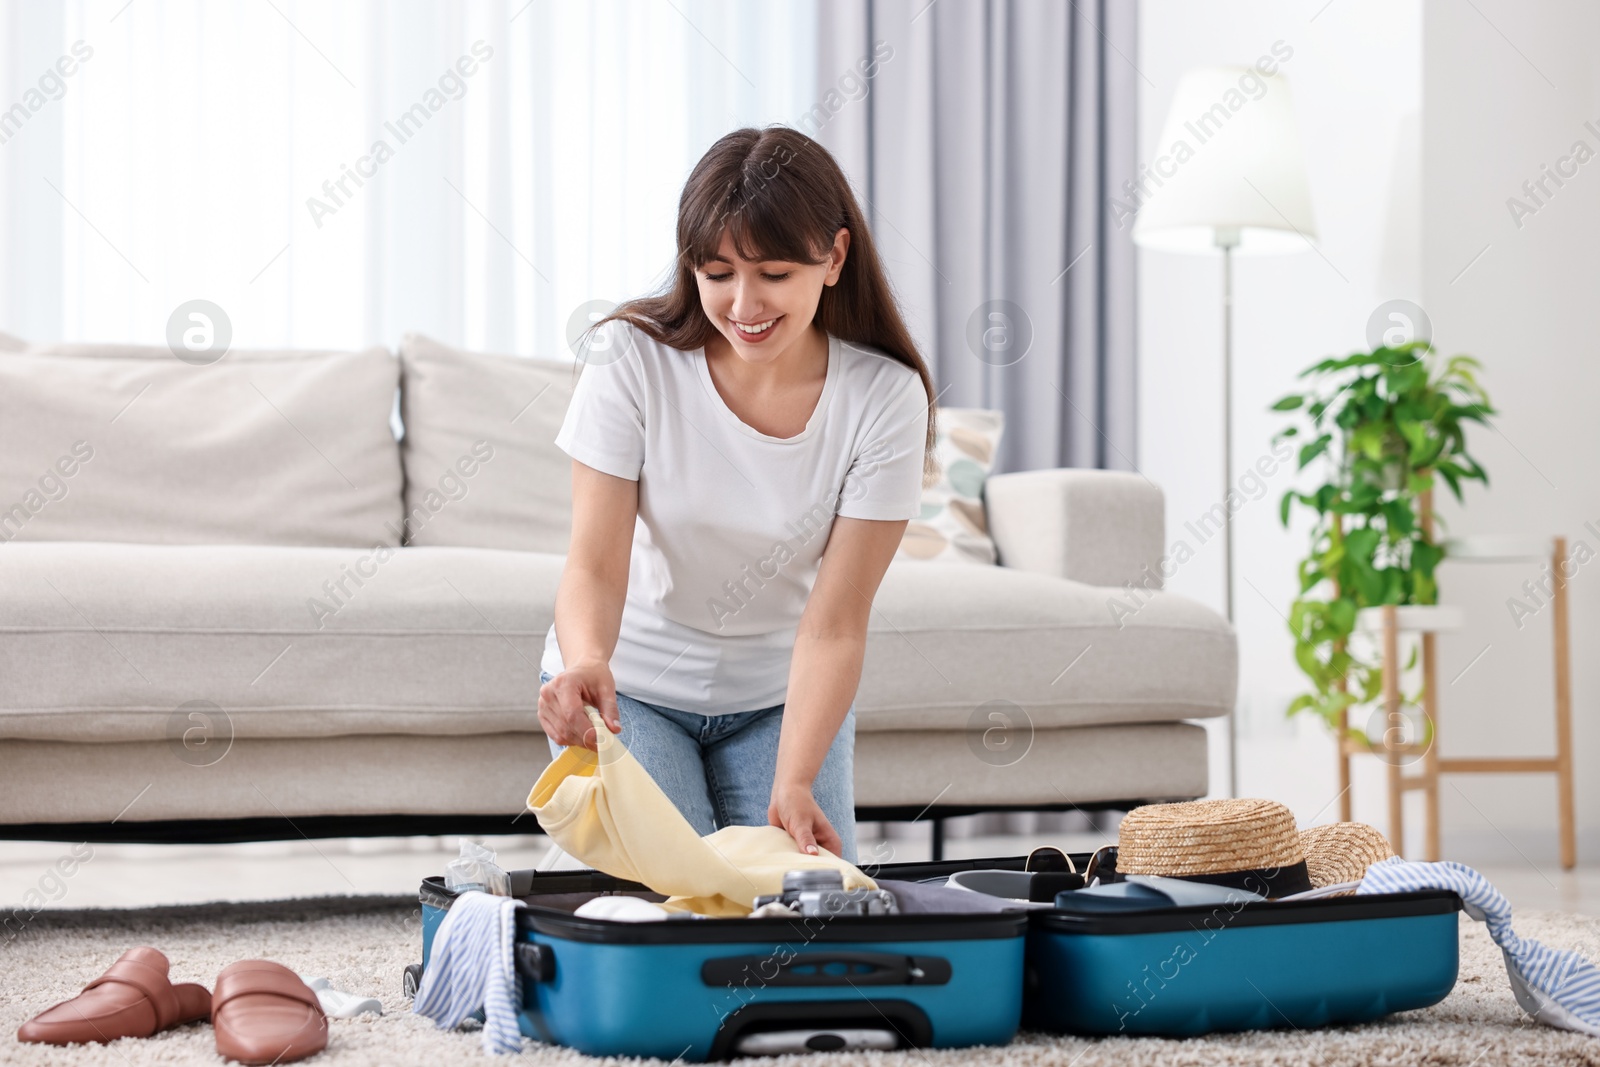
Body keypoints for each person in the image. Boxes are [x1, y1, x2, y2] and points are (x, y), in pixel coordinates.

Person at [537, 125, 939, 865]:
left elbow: (837, 623)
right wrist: (586, 659)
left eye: (774, 273)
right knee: (681, 897)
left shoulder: (885, 397)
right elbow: (593, 564)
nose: (744, 303)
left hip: (779, 700)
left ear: (834, 257)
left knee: (796, 905)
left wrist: (795, 778)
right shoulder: (631, 358)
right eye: (717, 273)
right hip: (634, 691)